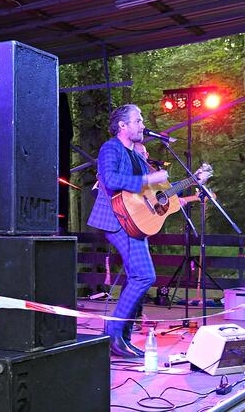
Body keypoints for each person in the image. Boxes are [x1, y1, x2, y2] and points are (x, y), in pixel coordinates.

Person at [87, 105, 169, 358]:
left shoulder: (136, 154)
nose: (142, 125)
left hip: (135, 221)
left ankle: (124, 338)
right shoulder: (110, 148)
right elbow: (110, 180)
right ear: (123, 125)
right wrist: (147, 179)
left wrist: (194, 180)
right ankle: (113, 334)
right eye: (138, 120)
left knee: (137, 277)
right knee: (144, 276)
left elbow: (149, 192)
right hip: (116, 219)